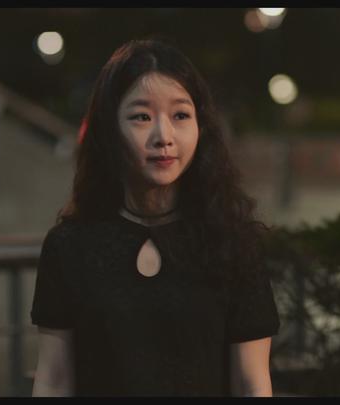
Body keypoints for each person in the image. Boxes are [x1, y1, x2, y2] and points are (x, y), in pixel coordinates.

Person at [30, 38, 280, 397]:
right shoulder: (70, 246)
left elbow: (252, 383)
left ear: (201, 126)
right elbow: (54, 379)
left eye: (180, 116)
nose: (164, 137)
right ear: (109, 129)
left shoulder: (234, 243)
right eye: (141, 117)